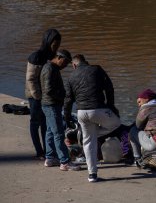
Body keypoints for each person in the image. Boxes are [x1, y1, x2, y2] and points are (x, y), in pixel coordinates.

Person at [64, 54, 121, 182]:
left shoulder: (70, 77)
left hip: (81, 113)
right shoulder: (96, 69)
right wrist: (111, 106)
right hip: (98, 109)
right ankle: (91, 135)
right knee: (116, 123)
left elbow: (68, 100)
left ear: (74, 65)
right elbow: (109, 88)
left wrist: (67, 117)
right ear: (86, 62)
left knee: (88, 142)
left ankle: (92, 175)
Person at [40, 49, 80, 171]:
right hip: (51, 105)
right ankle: (65, 162)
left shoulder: (51, 68)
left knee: (50, 132)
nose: (66, 65)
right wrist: (62, 95)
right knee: (58, 133)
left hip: (48, 104)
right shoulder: (50, 69)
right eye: (65, 62)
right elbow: (48, 89)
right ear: (59, 58)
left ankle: (50, 158)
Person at [25, 28, 61, 160]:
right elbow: (31, 79)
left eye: (58, 44)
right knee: (35, 122)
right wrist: (38, 97)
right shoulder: (36, 56)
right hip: (34, 96)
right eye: (54, 44)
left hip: (45, 96)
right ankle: (39, 151)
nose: (56, 46)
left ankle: (48, 151)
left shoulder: (51, 57)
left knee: (46, 123)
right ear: (48, 41)